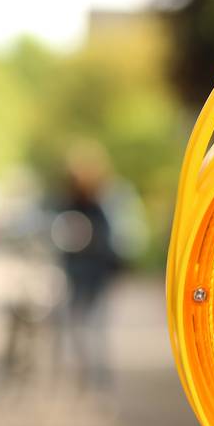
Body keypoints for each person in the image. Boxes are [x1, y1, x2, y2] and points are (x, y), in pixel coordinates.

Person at [51, 143, 122, 392]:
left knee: (92, 329)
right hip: (80, 275)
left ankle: (95, 379)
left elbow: (104, 243)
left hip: (92, 276)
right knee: (82, 328)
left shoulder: (98, 208)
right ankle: (87, 377)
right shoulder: (73, 206)